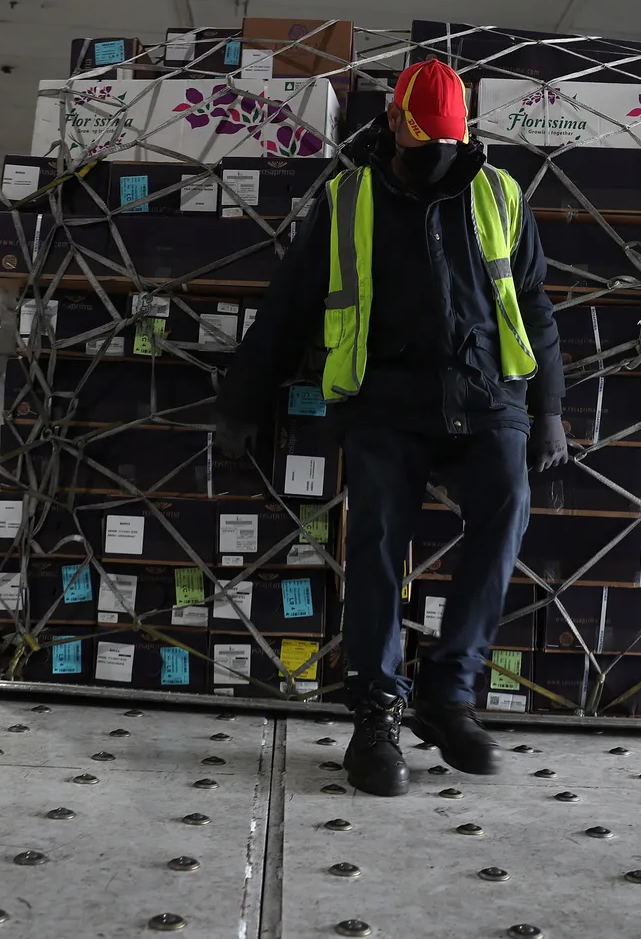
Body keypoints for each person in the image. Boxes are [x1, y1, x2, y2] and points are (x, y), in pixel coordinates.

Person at [214, 58, 567, 797]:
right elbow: (289, 309)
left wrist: (551, 411)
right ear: (399, 123)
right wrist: (244, 401)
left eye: (449, 136)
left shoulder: (501, 194)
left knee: (506, 510)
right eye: (426, 133)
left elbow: (534, 307)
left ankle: (449, 694)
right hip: (383, 400)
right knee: (376, 541)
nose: (436, 147)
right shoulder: (347, 200)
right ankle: (375, 710)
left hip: (487, 396)